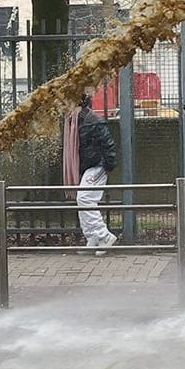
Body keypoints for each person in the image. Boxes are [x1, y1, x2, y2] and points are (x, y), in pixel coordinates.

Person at [62, 93, 118, 255]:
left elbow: (108, 144)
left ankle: (103, 235)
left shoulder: (89, 120)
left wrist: (107, 165)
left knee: (85, 198)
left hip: (97, 165)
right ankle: (93, 237)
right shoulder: (75, 120)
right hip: (91, 165)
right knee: (84, 200)